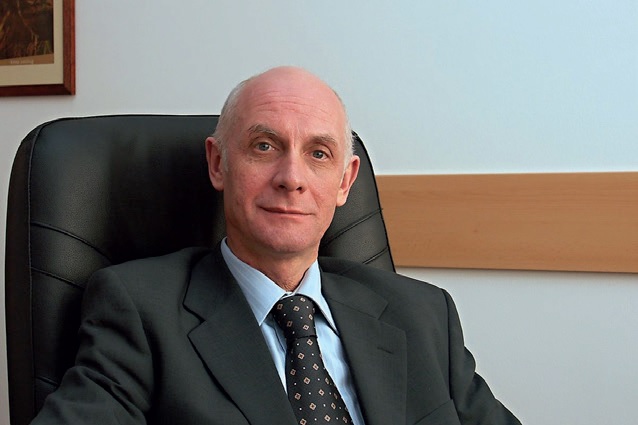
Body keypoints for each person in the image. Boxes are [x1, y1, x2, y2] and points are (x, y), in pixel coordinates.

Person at [31, 66, 521, 424]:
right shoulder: (139, 310)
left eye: (319, 154)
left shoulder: (424, 314)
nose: (292, 178)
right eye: (264, 146)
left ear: (345, 182)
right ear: (218, 163)